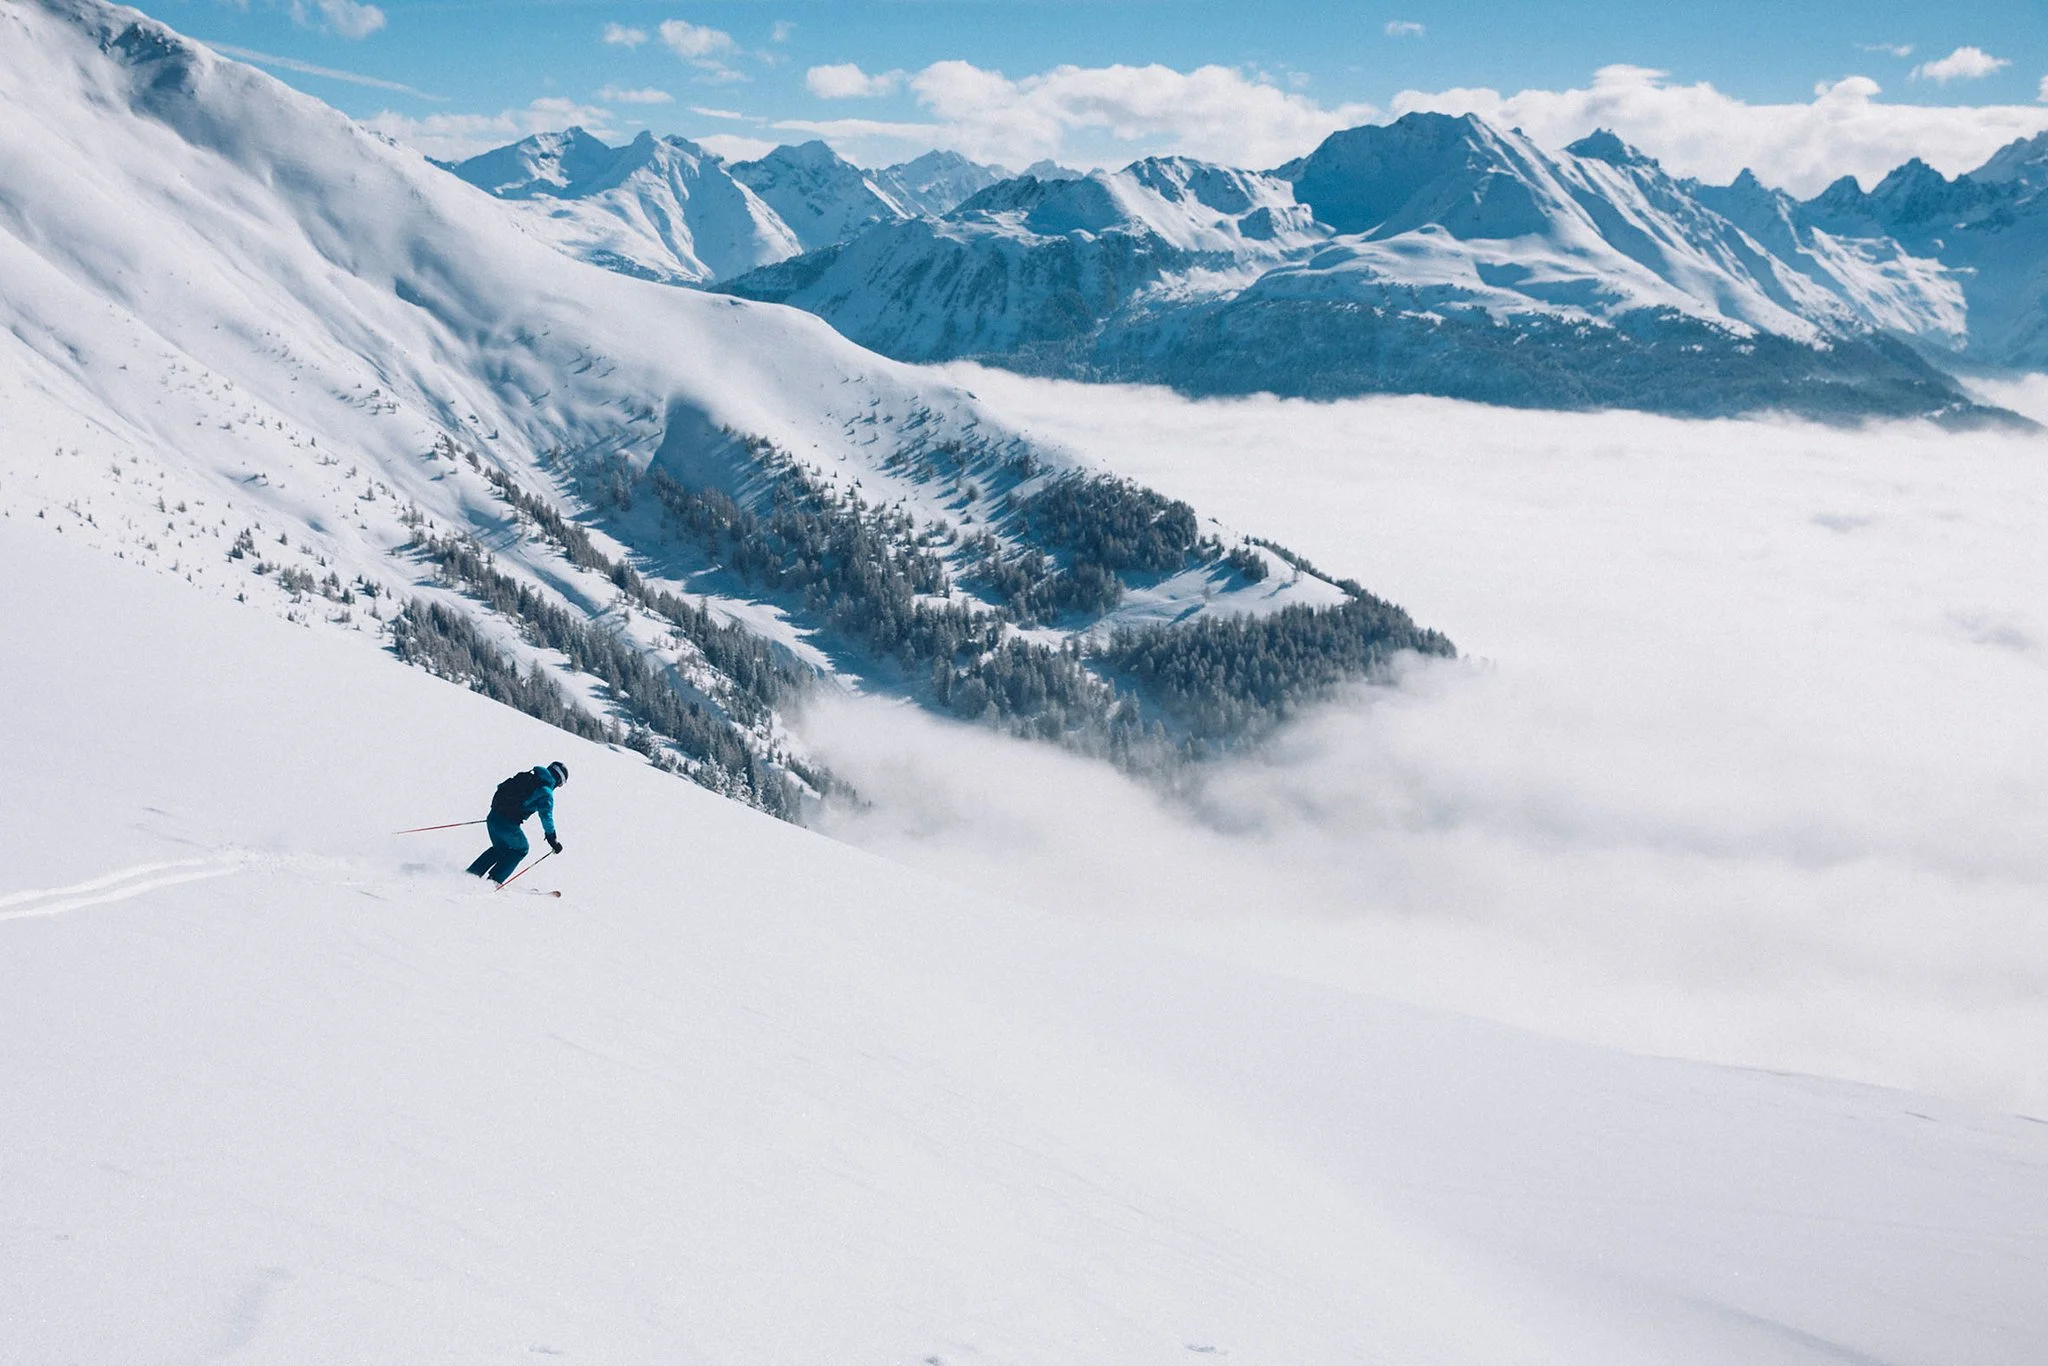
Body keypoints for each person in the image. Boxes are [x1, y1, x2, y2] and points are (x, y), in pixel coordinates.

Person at [467, 761, 567, 883]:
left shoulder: (529, 776)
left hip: (493, 817)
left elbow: (501, 787)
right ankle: (494, 881)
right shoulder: (546, 792)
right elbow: (546, 816)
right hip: (506, 824)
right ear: (558, 781)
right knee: (521, 849)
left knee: (501, 849)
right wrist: (552, 838)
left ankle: (471, 874)